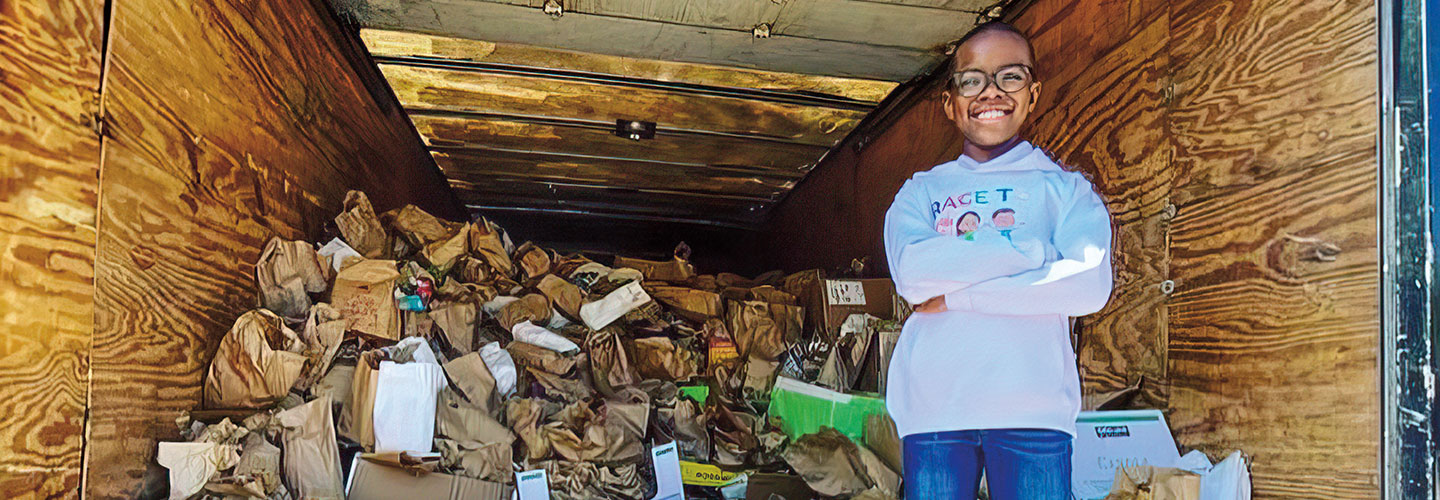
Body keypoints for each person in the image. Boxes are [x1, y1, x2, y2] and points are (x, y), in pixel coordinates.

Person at [882, 21, 1114, 500]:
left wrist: (959, 296)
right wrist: (1032, 253)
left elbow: (1088, 284)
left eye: (1010, 76)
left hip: (1034, 411)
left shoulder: (1066, 190)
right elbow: (915, 274)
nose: (991, 92)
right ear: (950, 102)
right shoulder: (920, 191)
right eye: (972, 80)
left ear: (1033, 93)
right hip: (934, 409)